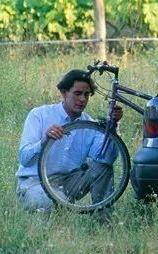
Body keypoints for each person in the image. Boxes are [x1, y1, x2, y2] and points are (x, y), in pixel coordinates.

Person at [16, 69, 123, 212]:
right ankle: (59, 207)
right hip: (35, 183)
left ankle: (105, 220)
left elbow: (106, 159)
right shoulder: (39, 115)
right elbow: (24, 158)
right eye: (77, 93)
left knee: (103, 167)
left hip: (68, 183)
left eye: (86, 94)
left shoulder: (90, 125)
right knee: (50, 203)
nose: (82, 99)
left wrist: (112, 125)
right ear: (63, 92)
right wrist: (44, 141)